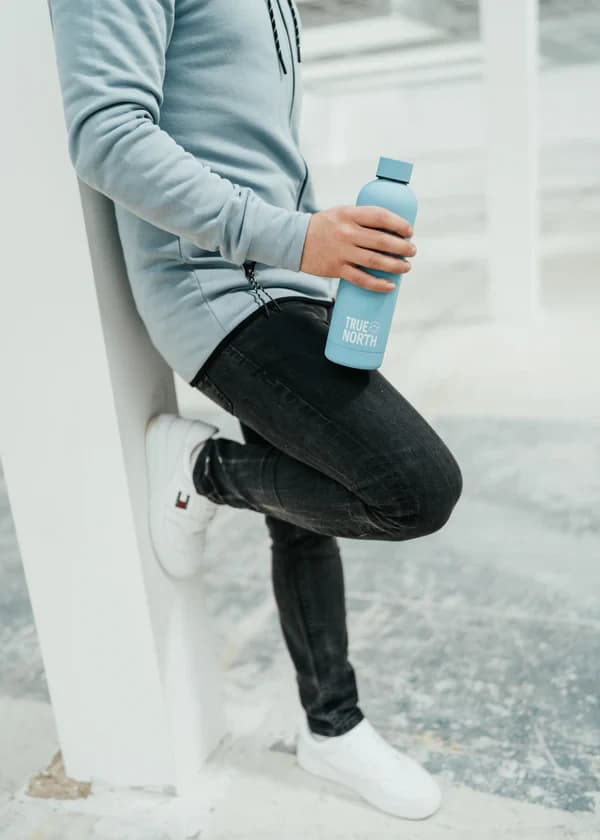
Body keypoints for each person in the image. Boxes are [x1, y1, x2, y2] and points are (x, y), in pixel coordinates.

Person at [49, 0, 462, 821]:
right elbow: (107, 135)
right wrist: (294, 237)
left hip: (284, 277)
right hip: (220, 288)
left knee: (304, 515)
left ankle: (332, 728)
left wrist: (319, 246)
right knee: (413, 488)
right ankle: (203, 474)